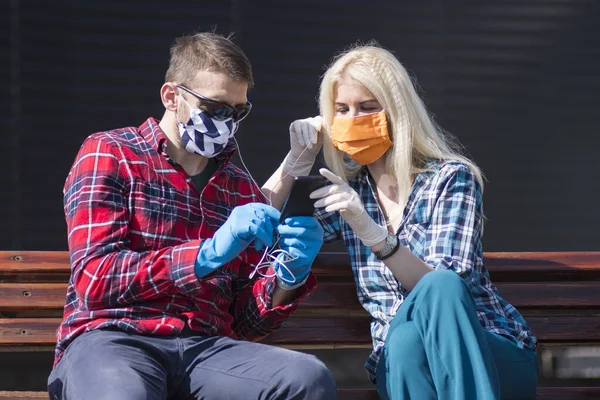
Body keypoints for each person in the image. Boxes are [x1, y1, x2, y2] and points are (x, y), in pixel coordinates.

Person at [48, 32, 337, 400]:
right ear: (172, 97)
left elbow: (247, 321)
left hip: (206, 349)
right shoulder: (112, 153)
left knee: (305, 378)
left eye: (238, 111)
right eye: (216, 108)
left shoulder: (239, 186)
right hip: (113, 339)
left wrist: (289, 274)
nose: (228, 122)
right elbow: (95, 279)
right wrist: (205, 254)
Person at [263, 44, 538, 399]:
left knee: (438, 288)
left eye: (366, 107)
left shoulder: (449, 179)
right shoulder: (345, 192)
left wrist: (374, 235)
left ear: (396, 110)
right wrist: (294, 163)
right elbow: (260, 225)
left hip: (487, 352)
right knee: (405, 340)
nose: (353, 119)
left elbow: (444, 291)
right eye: (342, 110)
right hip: (403, 359)